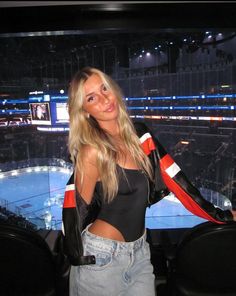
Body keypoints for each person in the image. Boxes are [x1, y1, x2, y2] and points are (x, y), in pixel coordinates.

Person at [63, 67, 236, 296]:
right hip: (101, 258)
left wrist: (219, 215)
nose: (105, 99)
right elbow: (76, 210)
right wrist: (74, 255)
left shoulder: (141, 136)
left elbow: (176, 181)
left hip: (141, 253)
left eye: (104, 88)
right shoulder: (91, 152)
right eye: (92, 98)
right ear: (84, 111)